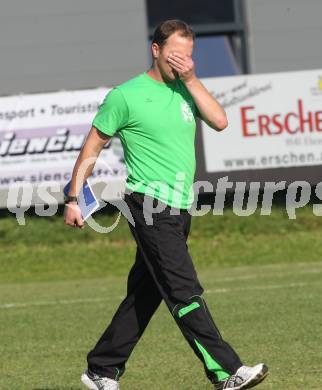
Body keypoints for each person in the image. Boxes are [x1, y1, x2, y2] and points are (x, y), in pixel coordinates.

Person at [64, 19, 268, 390]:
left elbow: (220, 121)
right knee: (184, 290)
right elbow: (92, 148)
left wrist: (190, 79)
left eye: (189, 56)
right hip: (149, 206)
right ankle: (227, 372)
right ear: (155, 50)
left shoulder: (187, 88)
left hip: (180, 208)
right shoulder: (125, 96)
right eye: (176, 54)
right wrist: (74, 197)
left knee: (145, 294)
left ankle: (101, 370)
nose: (183, 62)